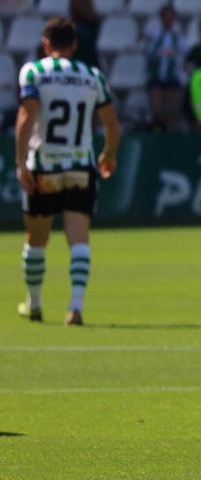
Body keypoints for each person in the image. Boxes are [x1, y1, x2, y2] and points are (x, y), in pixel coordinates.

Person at [15, 17, 120, 326]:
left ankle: (34, 304)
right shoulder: (93, 76)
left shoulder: (34, 71)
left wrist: (20, 161)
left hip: (44, 165)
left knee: (36, 240)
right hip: (80, 166)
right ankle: (75, 307)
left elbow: (26, 116)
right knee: (79, 239)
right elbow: (112, 126)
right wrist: (109, 154)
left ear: (45, 43)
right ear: (74, 45)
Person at [144, 5, 186, 131]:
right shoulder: (154, 35)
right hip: (156, 77)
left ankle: (171, 135)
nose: (168, 19)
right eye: (165, 16)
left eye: (170, 17)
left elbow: (184, 55)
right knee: (157, 111)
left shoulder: (178, 37)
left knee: (172, 111)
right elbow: (149, 53)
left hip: (172, 77)